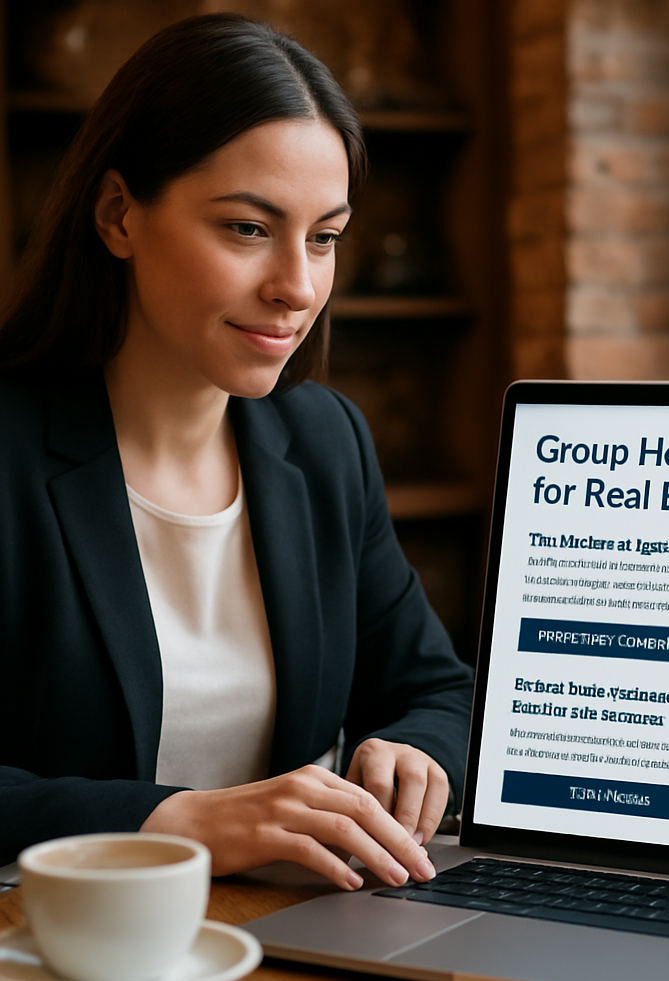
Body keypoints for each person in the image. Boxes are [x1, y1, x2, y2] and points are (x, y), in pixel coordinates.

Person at [0, 14, 474, 891]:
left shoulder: (325, 441)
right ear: (118, 217)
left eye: (324, 237)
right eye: (249, 228)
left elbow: (439, 689)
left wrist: (412, 753)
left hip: (292, 937)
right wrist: (175, 821)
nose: (297, 285)